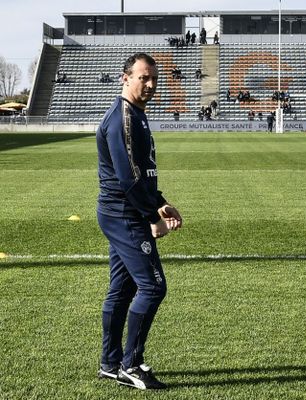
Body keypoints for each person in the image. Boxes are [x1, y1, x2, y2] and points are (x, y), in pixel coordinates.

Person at [95, 53, 182, 390]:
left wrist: (161, 203)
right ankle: (130, 364)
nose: (150, 85)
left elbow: (143, 174)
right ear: (125, 77)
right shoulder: (122, 118)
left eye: (154, 79)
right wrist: (151, 218)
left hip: (125, 211)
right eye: (143, 78)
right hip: (123, 214)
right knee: (153, 287)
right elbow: (129, 179)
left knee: (123, 288)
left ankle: (109, 363)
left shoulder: (137, 115)